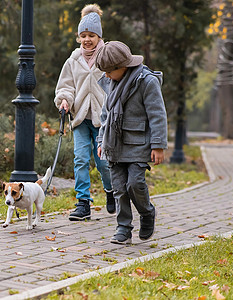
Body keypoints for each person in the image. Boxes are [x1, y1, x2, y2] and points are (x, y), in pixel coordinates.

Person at [95, 41, 168, 244]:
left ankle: (147, 213)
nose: (106, 76)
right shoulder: (110, 82)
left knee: (134, 183)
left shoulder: (146, 81)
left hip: (138, 143)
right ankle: (123, 227)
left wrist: (158, 145)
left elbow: (157, 114)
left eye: (109, 72)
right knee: (119, 187)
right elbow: (105, 115)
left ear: (123, 66)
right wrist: (101, 139)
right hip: (114, 144)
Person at [54, 4, 114, 221]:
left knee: (103, 163)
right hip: (80, 118)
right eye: (83, 36)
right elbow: (66, 86)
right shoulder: (73, 60)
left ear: (99, 36)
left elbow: (115, 83)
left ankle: (111, 191)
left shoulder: (107, 57)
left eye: (91, 35)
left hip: (102, 120)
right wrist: (64, 100)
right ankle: (83, 203)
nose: (87, 39)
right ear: (79, 37)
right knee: (80, 159)